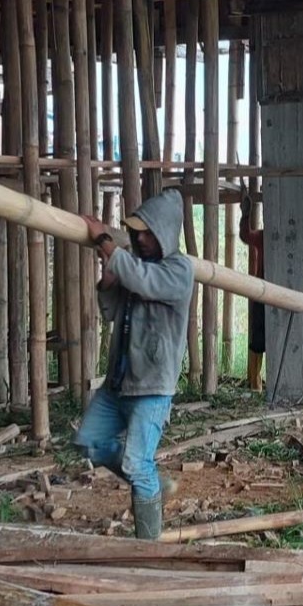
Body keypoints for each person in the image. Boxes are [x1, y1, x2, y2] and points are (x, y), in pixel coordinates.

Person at [78, 190, 193, 539]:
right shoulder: (133, 266)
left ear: (164, 234)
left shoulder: (179, 270)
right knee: (90, 442)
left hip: (153, 386)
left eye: (146, 233)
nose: (139, 238)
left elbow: (146, 282)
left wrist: (106, 243)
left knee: (135, 464)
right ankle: (155, 483)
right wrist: (108, 281)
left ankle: (148, 549)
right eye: (137, 232)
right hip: (119, 381)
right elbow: (111, 310)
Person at [238, 189, 266, 391]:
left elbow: (246, 236)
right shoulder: (265, 236)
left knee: (261, 340)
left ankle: (257, 383)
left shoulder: (265, 236)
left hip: (267, 293)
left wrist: (246, 214)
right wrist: (245, 214)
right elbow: (246, 235)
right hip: (264, 293)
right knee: (257, 340)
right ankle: (255, 384)